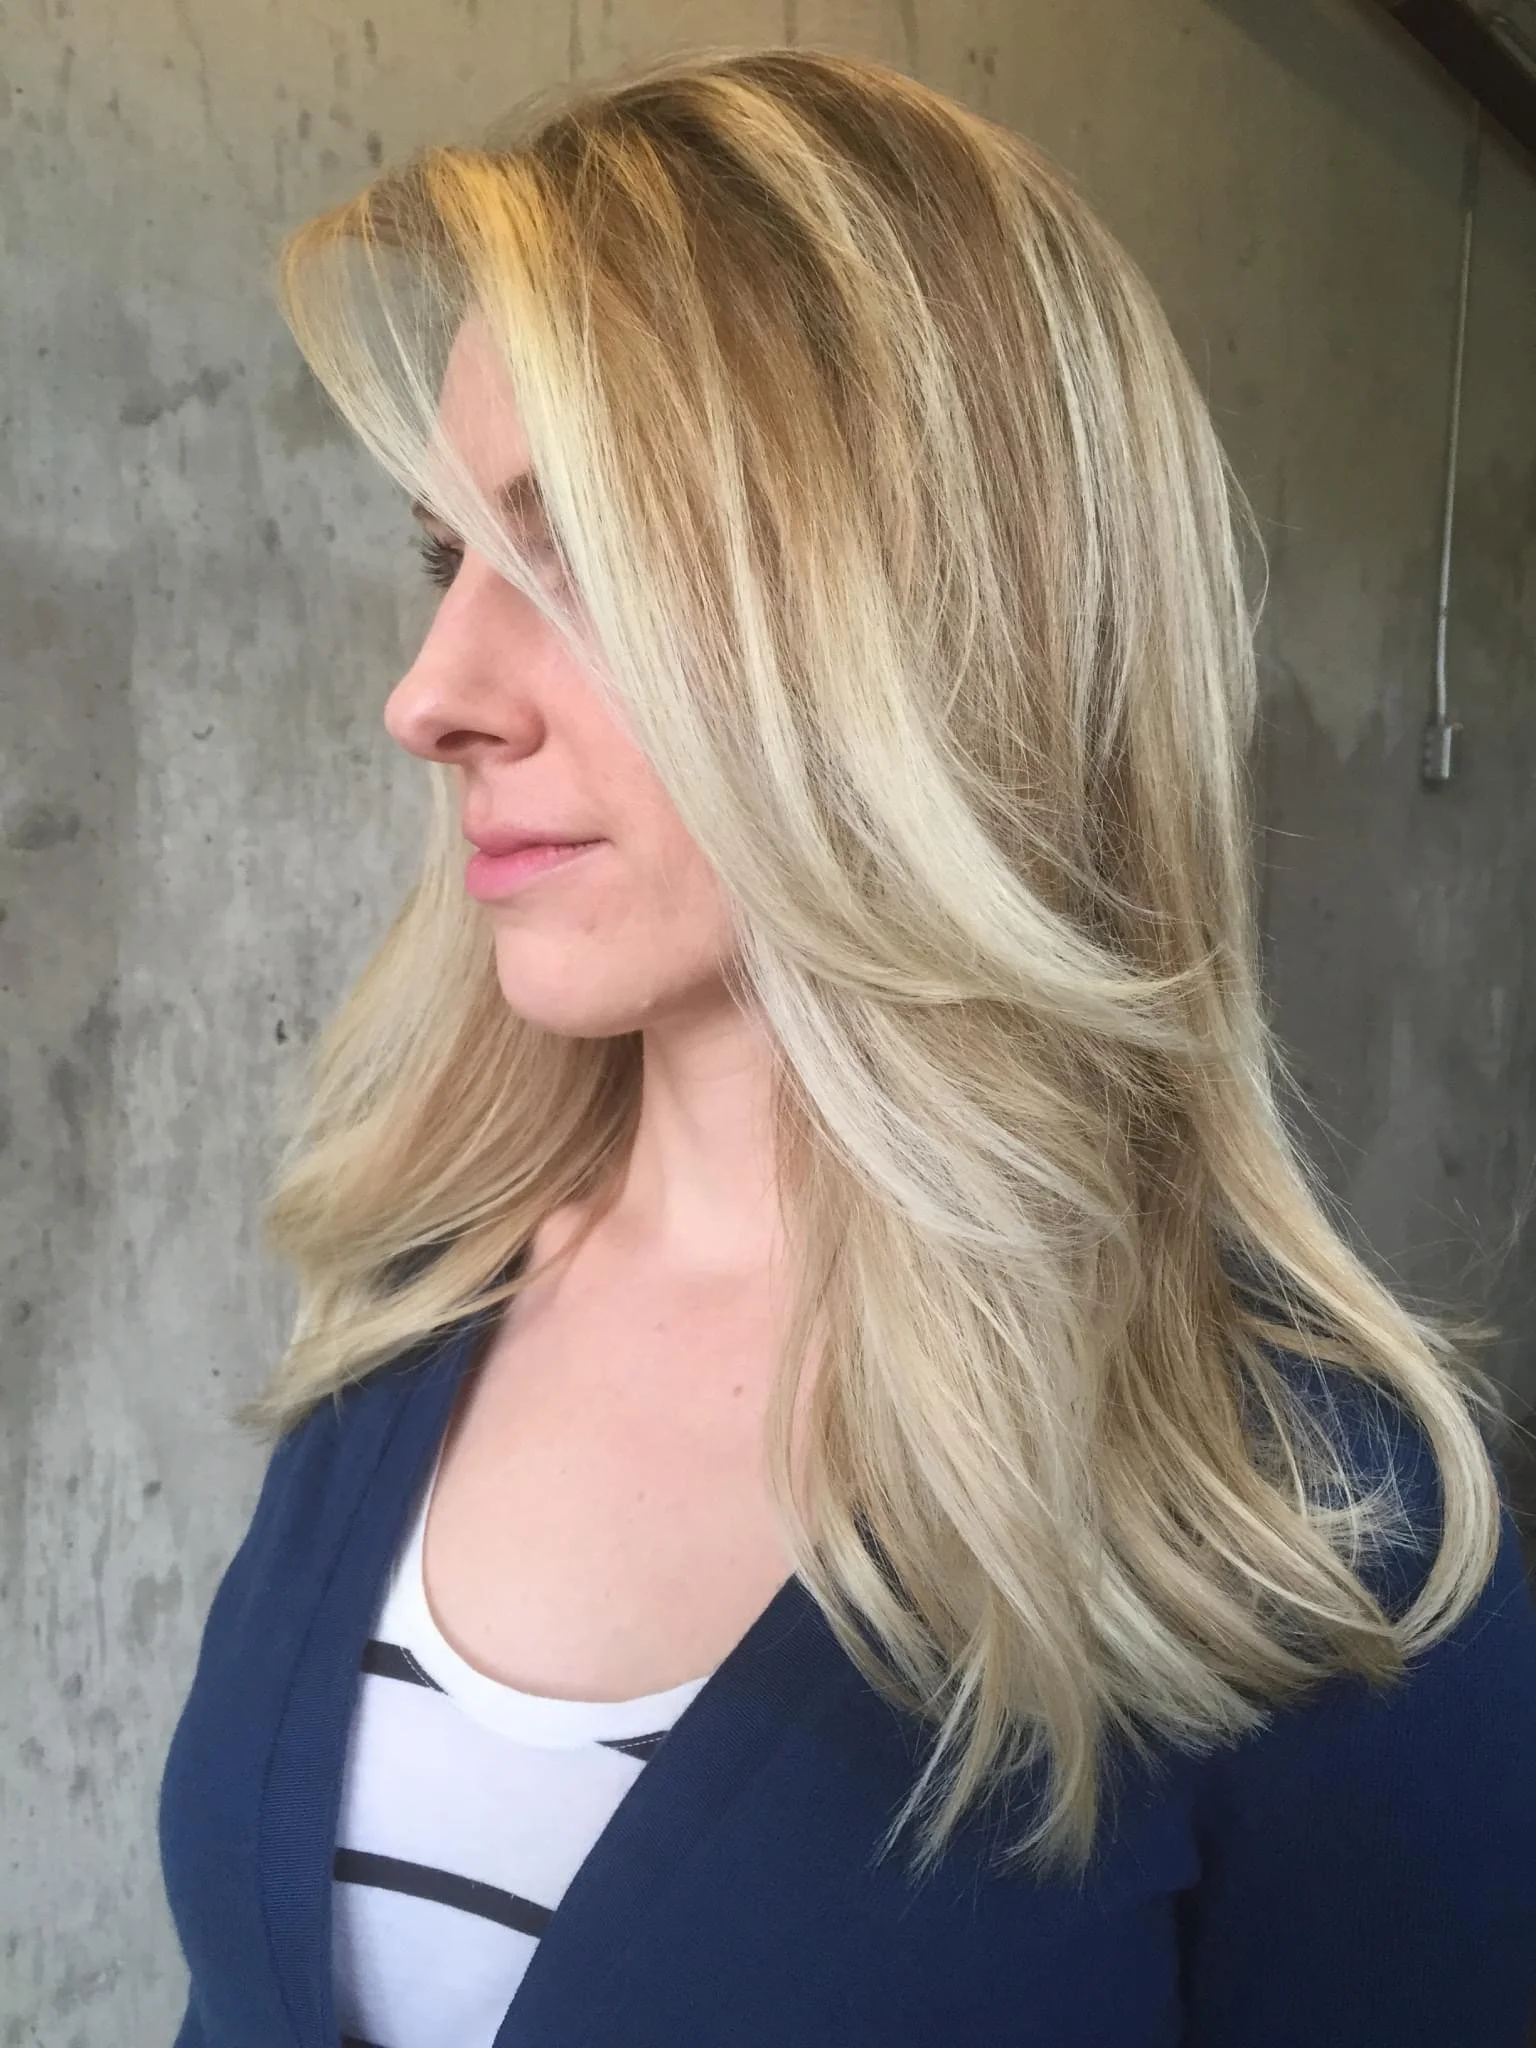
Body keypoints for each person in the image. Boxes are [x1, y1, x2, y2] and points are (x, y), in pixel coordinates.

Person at [157, 46, 1536, 2048]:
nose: (430, 691)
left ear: (946, 609)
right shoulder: (411, 1313)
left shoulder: (1308, 1537)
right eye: (446, 560)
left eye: (580, 552)